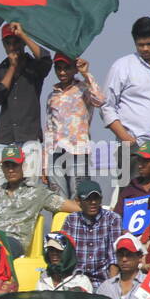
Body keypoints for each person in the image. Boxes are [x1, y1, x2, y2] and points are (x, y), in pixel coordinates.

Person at [100, 17, 150, 179]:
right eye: (140, 45)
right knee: (132, 198)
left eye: (149, 44)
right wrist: (126, 138)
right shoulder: (122, 66)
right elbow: (106, 106)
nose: (145, 49)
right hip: (134, 146)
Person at [0, 22, 52, 188]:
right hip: (5, 136)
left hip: (29, 135)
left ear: (23, 42)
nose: (12, 46)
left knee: (29, 185)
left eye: (15, 41)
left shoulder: (34, 67)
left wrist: (23, 34)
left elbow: (46, 58)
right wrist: (12, 67)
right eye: (8, 43)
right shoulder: (0, 70)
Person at [44, 54, 104, 197]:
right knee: (59, 201)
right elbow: (48, 129)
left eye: (67, 68)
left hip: (79, 151)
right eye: (59, 69)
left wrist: (86, 73)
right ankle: (60, 220)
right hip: (56, 154)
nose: (62, 72)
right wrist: (45, 163)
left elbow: (99, 100)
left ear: (74, 69)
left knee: (79, 197)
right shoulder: (52, 96)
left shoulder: (84, 89)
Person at [61, 180, 120, 286]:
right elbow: (65, 256)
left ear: (101, 199)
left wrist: (112, 287)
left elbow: (114, 258)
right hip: (75, 281)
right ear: (78, 201)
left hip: (102, 282)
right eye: (88, 199)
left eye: (96, 198)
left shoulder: (113, 219)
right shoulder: (71, 220)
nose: (93, 202)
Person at [96, 233, 146, 299]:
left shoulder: (149, 283)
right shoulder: (106, 287)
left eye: (129, 255)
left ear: (139, 257)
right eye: (120, 255)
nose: (124, 259)